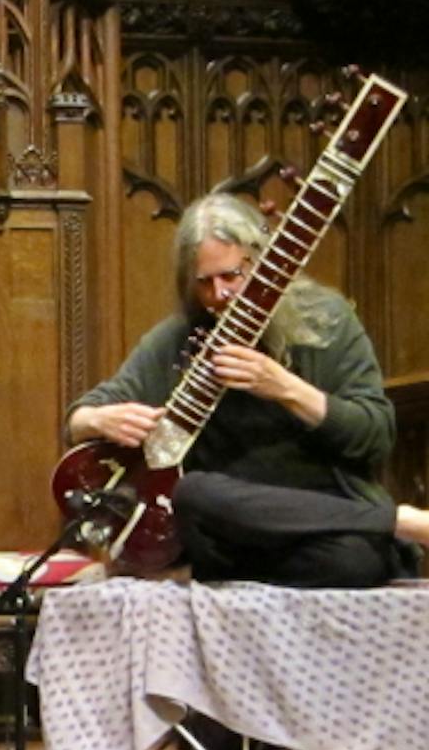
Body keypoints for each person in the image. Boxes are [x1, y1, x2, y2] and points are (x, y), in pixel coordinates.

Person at [67, 192, 427, 586]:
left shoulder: (327, 322)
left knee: (356, 563)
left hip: (323, 523)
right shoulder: (179, 338)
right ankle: (397, 521)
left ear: (265, 265)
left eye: (231, 276)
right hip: (229, 530)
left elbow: (375, 435)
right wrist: (97, 419)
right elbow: (80, 417)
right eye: (205, 282)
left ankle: (198, 576)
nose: (219, 294)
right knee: (193, 493)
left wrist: (285, 388)